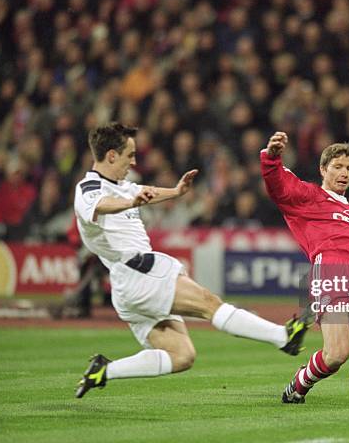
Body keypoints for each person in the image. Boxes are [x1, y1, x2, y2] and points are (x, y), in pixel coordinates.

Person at [73, 123, 312, 399]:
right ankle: (283, 337)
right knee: (210, 304)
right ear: (111, 155)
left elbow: (142, 190)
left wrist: (175, 192)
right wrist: (132, 203)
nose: (134, 161)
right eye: (130, 155)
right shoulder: (89, 187)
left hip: (128, 285)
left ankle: (103, 371)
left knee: (181, 355)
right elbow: (100, 204)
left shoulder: (123, 186)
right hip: (137, 271)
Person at [260, 131, 349, 408]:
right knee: (336, 354)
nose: (344, 173)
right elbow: (278, 186)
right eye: (337, 167)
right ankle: (298, 385)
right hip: (331, 271)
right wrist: (272, 158)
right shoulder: (309, 196)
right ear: (323, 169)